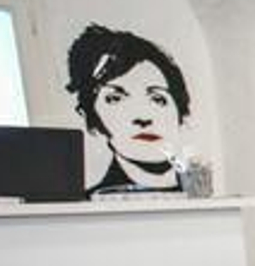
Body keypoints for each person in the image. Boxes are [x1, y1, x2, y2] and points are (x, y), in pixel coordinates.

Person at [65, 24, 191, 195]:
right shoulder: (90, 205)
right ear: (91, 118)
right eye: (115, 99)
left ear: (181, 115)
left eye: (158, 99)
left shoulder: (199, 195)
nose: (143, 117)